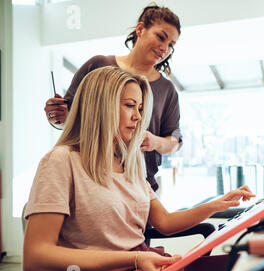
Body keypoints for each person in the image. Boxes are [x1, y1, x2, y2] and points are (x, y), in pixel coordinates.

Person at [24, 66, 255, 271]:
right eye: (130, 105)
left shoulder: (128, 164)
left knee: (248, 265)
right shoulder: (62, 161)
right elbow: (35, 259)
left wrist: (218, 204)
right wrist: (134, 258)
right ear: (100, 106)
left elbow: (164, 222)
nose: (138, 116)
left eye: (140, 108)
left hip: (139, 268)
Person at [44, 4, 183, 192]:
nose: (164, 49)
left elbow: (175, 139)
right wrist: (56, 116)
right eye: (161, 37)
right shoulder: (98, 66)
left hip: (140, 184)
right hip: (90, 176)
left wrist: (155, 142)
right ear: (140, 29)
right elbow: (67, 120)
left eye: (171, 46)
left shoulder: (167, 89)